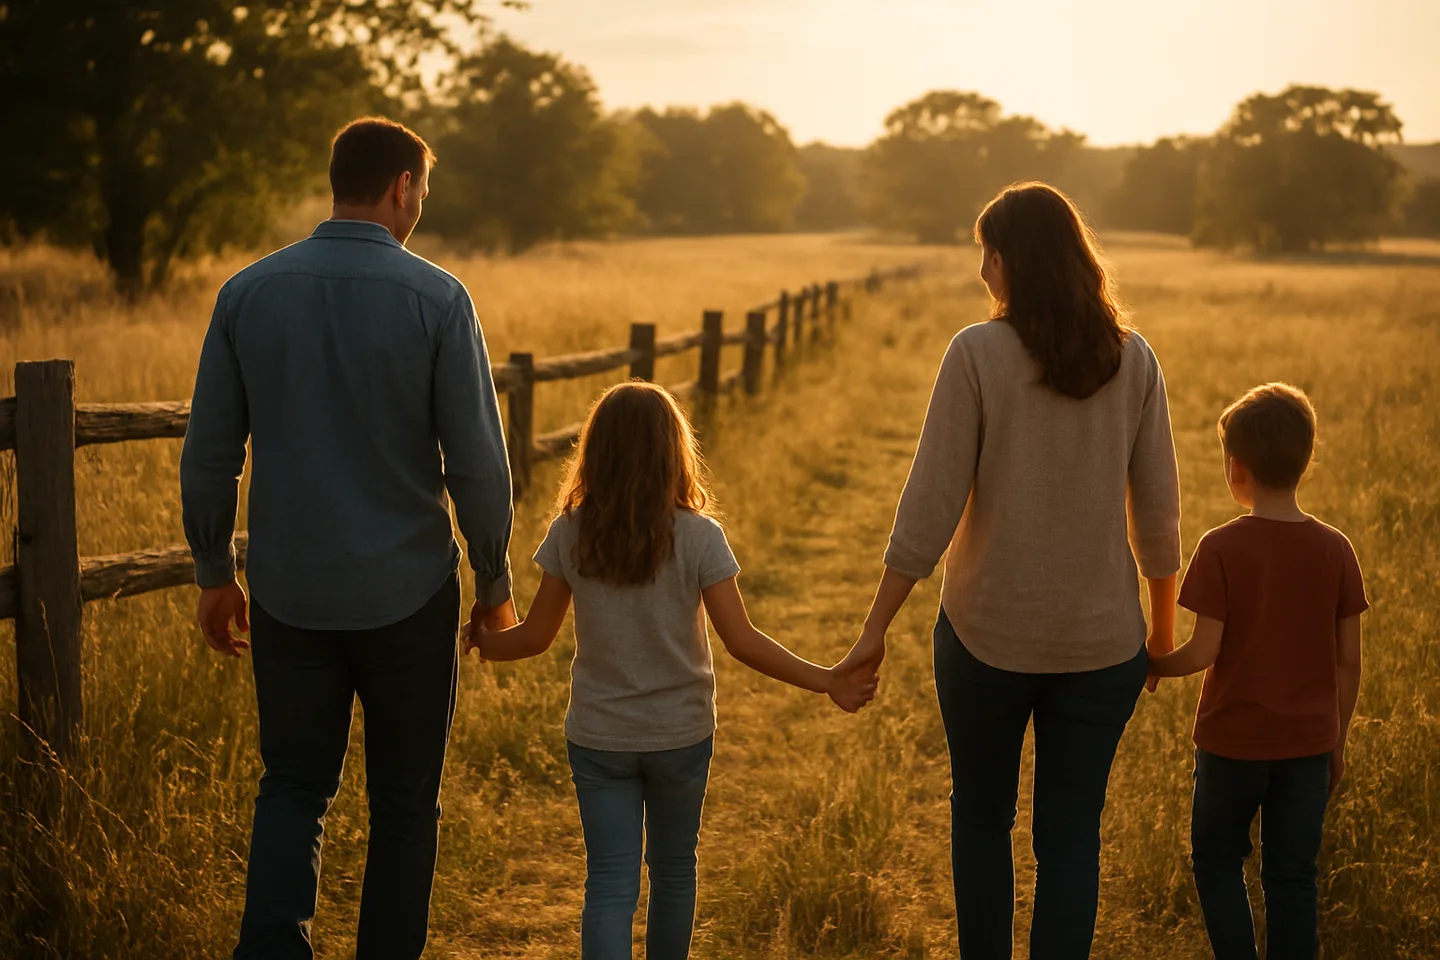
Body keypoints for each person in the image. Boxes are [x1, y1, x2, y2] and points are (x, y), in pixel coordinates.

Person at [179, 116, 515, 960]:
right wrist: (495, 578)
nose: (420, 208)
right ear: (401, 186)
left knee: (293, 786)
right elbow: (476, 461)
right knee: (405, 805)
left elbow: (211, 451)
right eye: (422, 193)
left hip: (290, 593)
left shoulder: (247, 293)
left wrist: (215, 569)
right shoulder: (439, 298)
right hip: (408, 596)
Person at [837, 182, 1182, 958]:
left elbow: (928, 505)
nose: (981, 273)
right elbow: (1160, 518)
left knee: (981, 820)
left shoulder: (976, 353)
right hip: (1102, 649)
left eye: (986, 255)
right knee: (1071, 837)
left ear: (1011, 259)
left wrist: (875, 629)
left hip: (985, 637)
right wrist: (1158, 635)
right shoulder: (1135, 360)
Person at [473, 382, 877, 959]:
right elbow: (741, 641)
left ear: (596, 451)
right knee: (673, 872)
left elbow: (534, 638)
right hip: (681, 734)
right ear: (674, 451)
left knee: (609, 883)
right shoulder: (699, 536)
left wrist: (484, 639)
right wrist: (828, 678)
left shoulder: (572, 531)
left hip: (599, 734)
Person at [1148, 383, 1367, 960]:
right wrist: (1335, 739)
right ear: (1305, 460)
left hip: (1231, 746)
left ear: (1235, 467)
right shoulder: (1336, 550)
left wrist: (1150, 663)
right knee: (1293, 878)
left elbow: (1203, 652)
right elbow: (1349, 662)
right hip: (1307, 748)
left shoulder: (1220, 548)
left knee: (1218, 861)